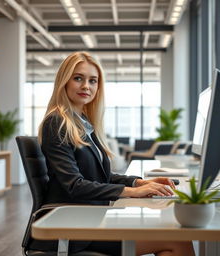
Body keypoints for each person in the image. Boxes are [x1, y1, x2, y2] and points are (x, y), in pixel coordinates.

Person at [37, 51, 195, 256]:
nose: (86, 86)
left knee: (174, 236)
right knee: (177, 241)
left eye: (93, 81)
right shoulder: (57, 122)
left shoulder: (83, 123)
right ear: (64, 82)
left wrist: (140, 183)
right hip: (74, 226)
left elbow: (101, 176)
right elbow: (74, 185)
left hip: (92, 218)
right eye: (78, 78)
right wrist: (132, 192)